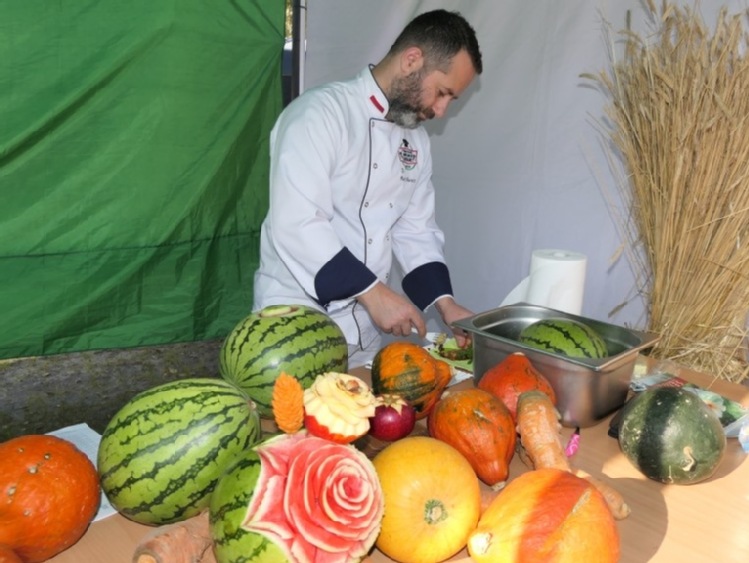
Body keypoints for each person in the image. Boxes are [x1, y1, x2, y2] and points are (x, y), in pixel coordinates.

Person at [253, 9, 482, 366]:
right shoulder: (318, 115)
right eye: (442, 93)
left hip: (365, 337)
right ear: (411, 60)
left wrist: (445, 303)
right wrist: (374, 293)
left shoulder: (416, 143)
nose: (441, 111)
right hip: (293, 328)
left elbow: (415, 229)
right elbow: (297, 222)